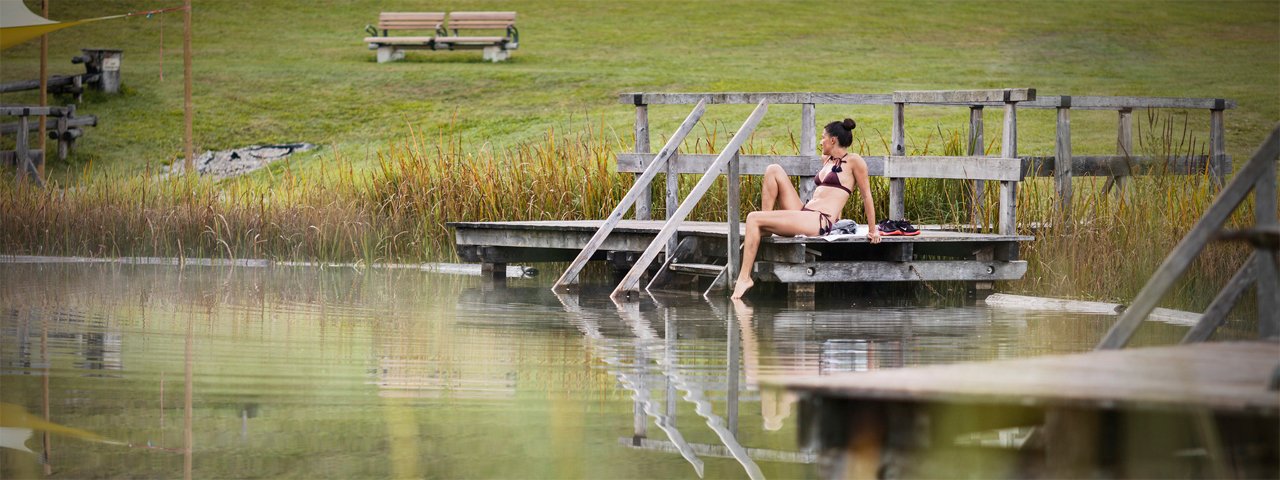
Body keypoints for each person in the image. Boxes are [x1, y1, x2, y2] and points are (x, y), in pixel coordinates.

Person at [731, 118, 880, 299]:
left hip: (820, 220)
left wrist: (873, 231)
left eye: (823, 137)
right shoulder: (827, 160)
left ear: (833, 140)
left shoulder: (855, 161)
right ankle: (766, 224)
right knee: (773, 169)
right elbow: (829, 191)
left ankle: (745, 278)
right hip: (805, 212)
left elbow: (866, 196)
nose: (820, 141)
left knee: (753, 218)